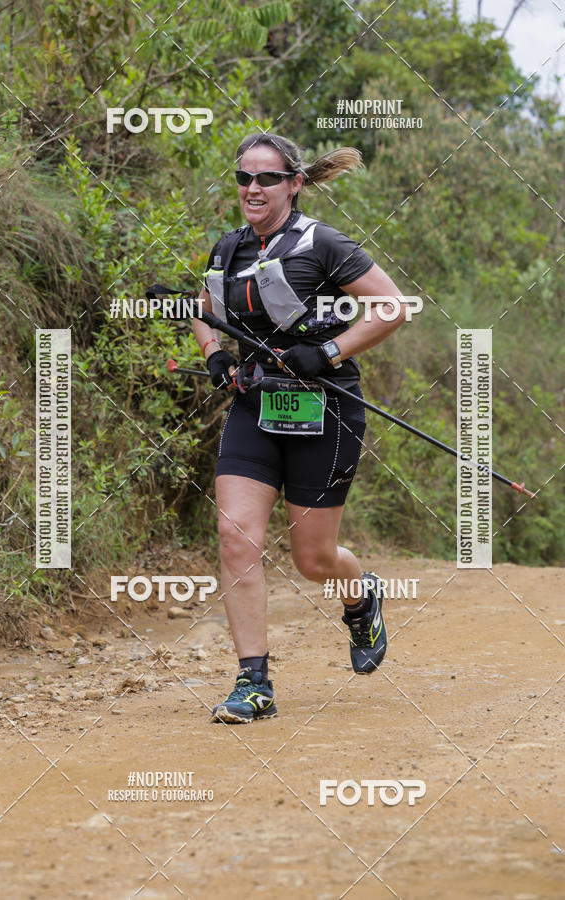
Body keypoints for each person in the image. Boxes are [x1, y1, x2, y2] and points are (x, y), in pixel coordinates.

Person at [192, 133, 406, 724]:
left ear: (294, 183)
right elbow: (202, 307)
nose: (252, 188)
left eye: (266, 178)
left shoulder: (324, 243)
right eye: (244, 178)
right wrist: (215, 353)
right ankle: (253, 683)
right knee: (237, 537)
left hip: (326, 411)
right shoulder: (229, 248)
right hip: (256, 410)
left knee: (313, 560)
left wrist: (328, 351)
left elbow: (392, 305)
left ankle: (360, 595)